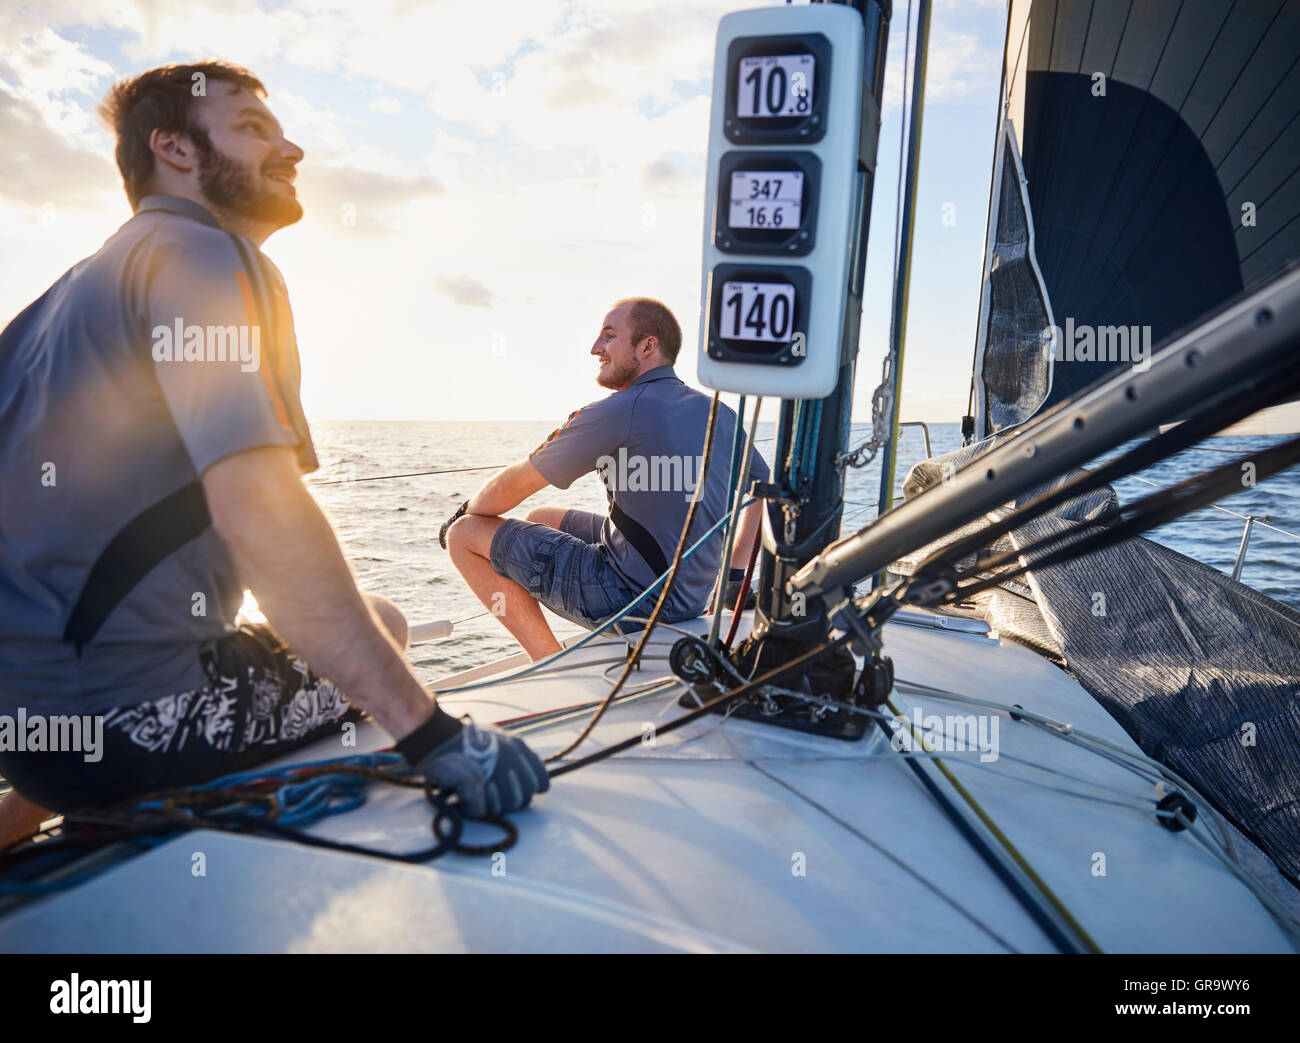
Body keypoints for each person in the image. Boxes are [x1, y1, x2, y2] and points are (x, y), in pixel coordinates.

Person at [0, 62, 547, 850]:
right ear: (175, 149)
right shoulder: (210, 256)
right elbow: (264, 512)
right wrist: (434, 738)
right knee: (385, 621)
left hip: (31, 737)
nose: (291, 148)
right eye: (254, 128)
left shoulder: (48, 308)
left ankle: (24, 808)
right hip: (133, 731)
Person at [443, 298, 769, 661]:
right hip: (691, 598)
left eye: (609, 337)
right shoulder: (719, 412)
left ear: (647, 346)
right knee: (541, 518)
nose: (595, 348)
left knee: (465, 535)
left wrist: (462, 514)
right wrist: (734, 577)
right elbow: (763, 492)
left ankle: (551, 665)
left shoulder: (619, 409)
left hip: (632, 602)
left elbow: (515, 485)